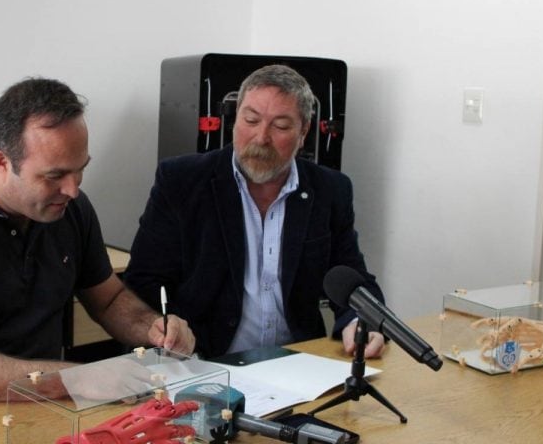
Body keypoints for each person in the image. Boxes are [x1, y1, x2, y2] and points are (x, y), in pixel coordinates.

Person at [0, 77, 195, 442]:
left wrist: (151, 326)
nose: (73, 189)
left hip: (39, 410)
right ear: (1, 161)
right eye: (55, 175)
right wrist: (77, 379)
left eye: (80, 169)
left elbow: (110, 300)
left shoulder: (70, 209)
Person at [123, 64, 386, 359]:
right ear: (235, 120)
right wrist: (167, 325)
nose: (261, 138)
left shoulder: (330, 189)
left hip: (297, 362)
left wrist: (360, 320)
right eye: (251, 120)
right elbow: (143, 282)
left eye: (281, 126)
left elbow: (352, 278)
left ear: (304, 132)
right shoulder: (182, 181)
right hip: (204, 361)